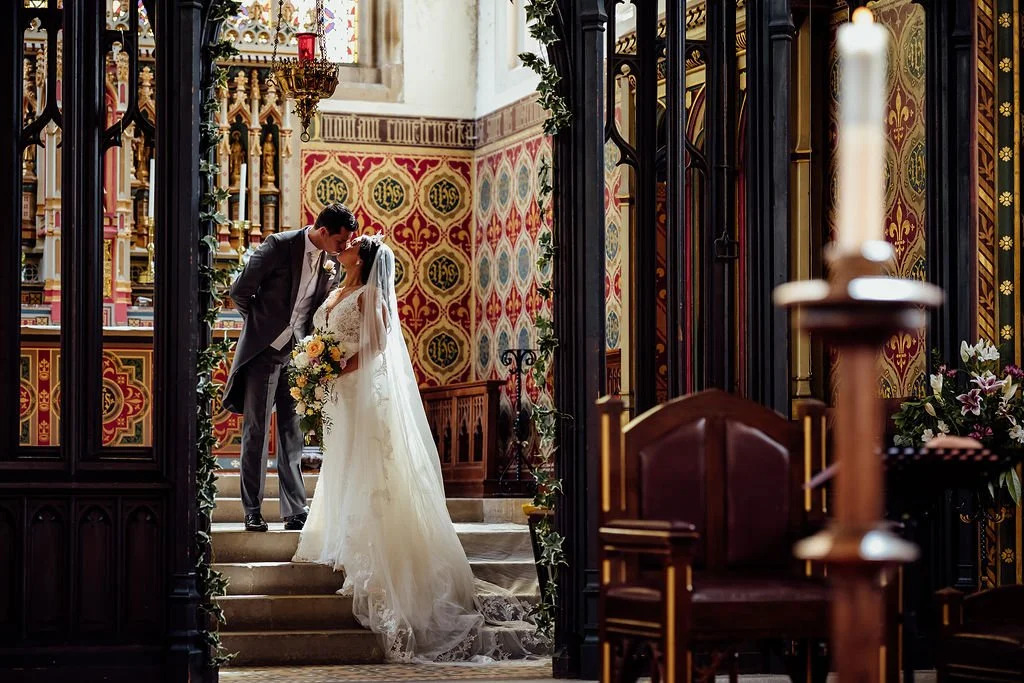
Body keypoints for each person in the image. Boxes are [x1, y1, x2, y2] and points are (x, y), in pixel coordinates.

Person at [294, 235, 544, 662]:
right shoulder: (337, 291)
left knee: (369, 465)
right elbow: (324, 335)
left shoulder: (373, 295)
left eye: (352, 244)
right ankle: (339, 535)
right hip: (339, 393)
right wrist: (317, 367)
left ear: (364, 256)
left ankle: (380, 557)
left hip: (358, 389)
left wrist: (335, 367)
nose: (345, 247)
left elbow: (377, 346)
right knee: (342, 462)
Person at [222, 203, 357, 532]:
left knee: (292, 433)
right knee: (256, 432)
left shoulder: (330, 261)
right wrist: (263, 328)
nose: (344, 249)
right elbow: (240, 292)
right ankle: (252, 510)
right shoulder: (279, 245)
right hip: (264, 353)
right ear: (323, 232)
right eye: (340, 242)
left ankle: (295, 510)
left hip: (298, 355)